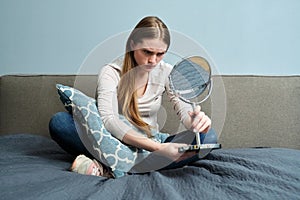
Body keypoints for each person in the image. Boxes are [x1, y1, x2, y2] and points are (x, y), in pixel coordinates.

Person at [49, 16, 217, 178]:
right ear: (132, 44)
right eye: (147, 52)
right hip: (112, 141)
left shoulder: (167, 72)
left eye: (160, 54)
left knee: (209, 137)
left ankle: (111, 165)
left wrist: (196, 122)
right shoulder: (111, 72)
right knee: (60, 123)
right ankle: (138, 164)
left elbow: (185, 112)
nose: (153, 60)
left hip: (150, 140)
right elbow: (109, 121)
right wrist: (158, 149)